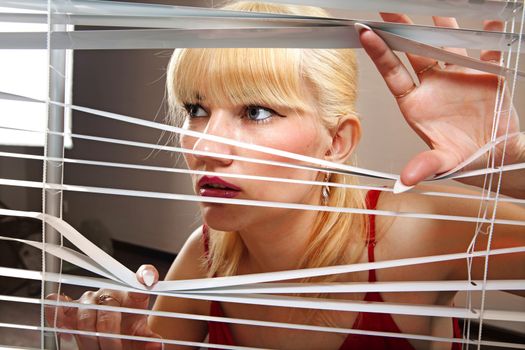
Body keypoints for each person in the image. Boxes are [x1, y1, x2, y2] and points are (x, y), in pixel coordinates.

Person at [46, 2, 525, 349]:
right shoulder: (206, 255)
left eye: (256, 111)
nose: (206, 147)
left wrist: (513, 167)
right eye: (196, 109)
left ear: (336, 143)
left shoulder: (418, 234)